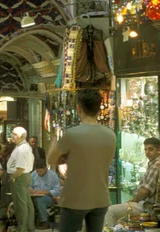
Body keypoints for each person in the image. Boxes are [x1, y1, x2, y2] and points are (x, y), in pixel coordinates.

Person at [47, 89, 116, 232]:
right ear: (98, 108)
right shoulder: (111, 135)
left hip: (75, 198)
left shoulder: (72, 134)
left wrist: (54, 138)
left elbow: (51, 159)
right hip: (100, 197)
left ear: (79, 109)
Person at [104, 138, 160, 227]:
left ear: (159, 149)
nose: (147, 152)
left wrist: (133, 200)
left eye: (151, 149)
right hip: (144, 204)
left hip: (146, 206)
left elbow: (145, 191)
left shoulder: (157, 165)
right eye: (146, 149)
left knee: (109, 211)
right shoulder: (153, 163)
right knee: (118, 222)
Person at [8, 126, 35, 232]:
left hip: (19, 177)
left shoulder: (21, 148)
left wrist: (13, 178)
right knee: (27, 203)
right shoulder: (26, 147)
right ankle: (29, 226)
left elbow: (20, 167)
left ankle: (22, 228)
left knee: (20, 205)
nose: (12, 135)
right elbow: (31, 161)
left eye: (14, 134)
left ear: (21, 136)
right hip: (24, 176)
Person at [30, 159, 61, 230]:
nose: (38, 173)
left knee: (39, 200)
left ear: (46, 168)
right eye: (37, 171)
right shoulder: (33, 174)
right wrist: (30, 189)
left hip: (49, 198)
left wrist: (45, 192)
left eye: (40, 171)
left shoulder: (53, 175)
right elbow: (29, 185)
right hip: (34, 196)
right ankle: (28, 222)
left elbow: (57, 191)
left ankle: (44, 221)